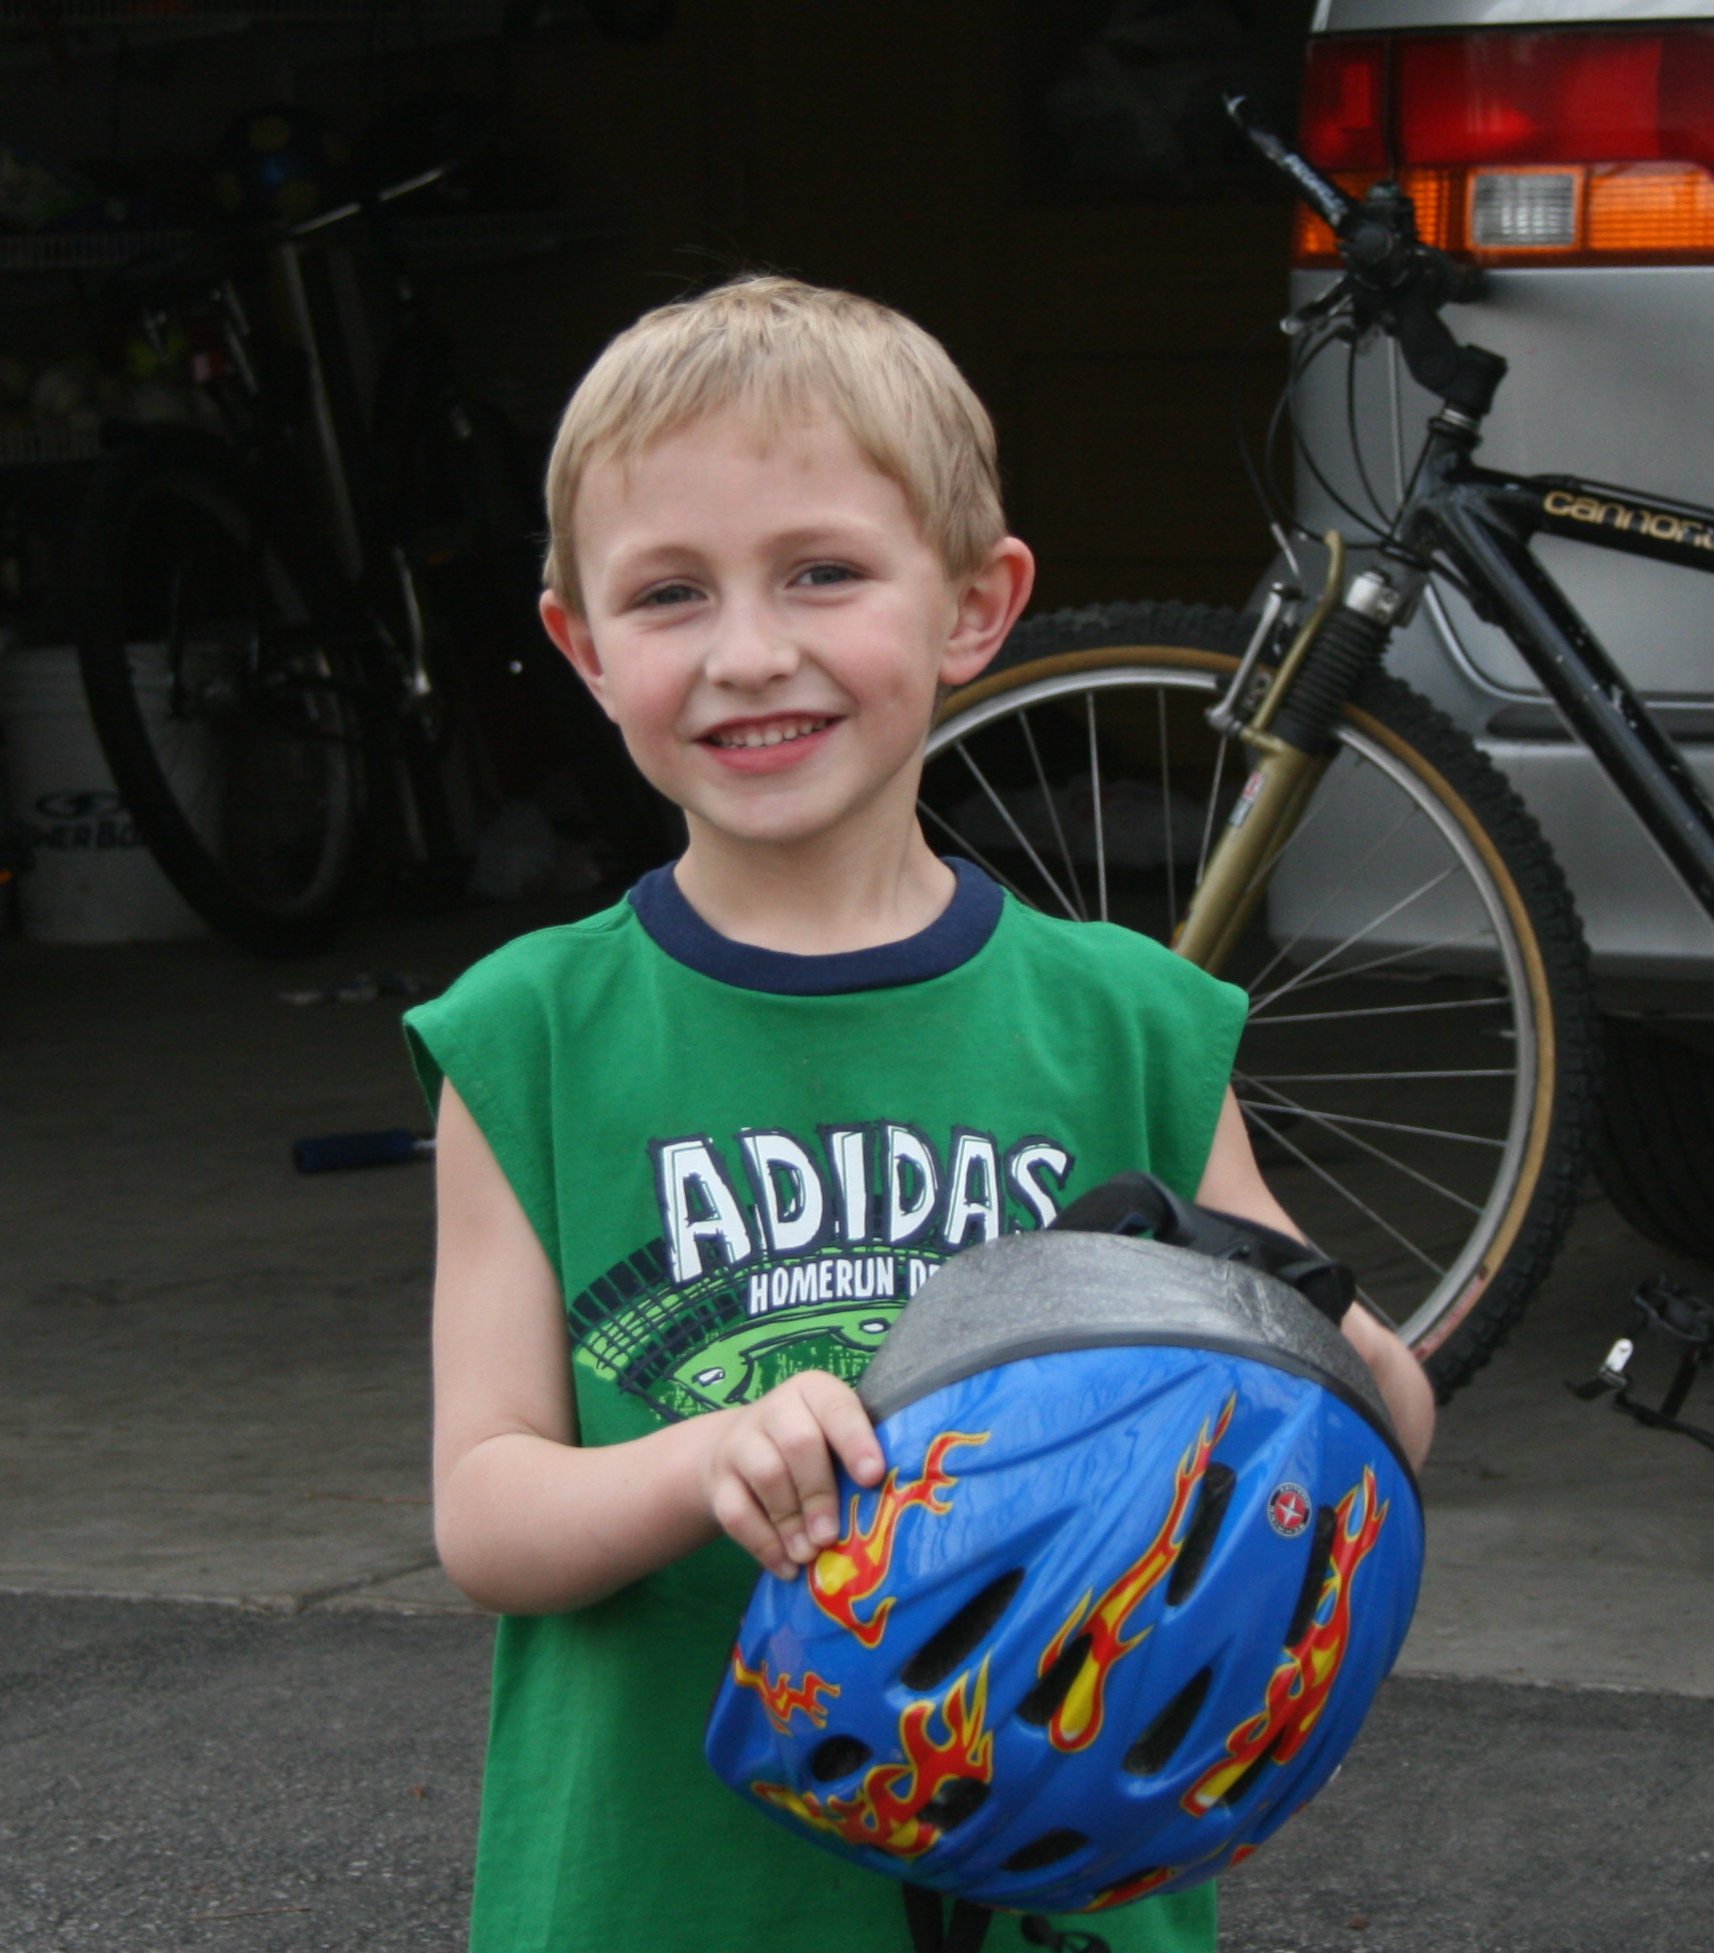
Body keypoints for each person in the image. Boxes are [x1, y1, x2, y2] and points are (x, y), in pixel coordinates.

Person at [410, 275, 1439, 1952]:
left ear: (976, 606)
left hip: (1059, 1892)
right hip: (667, 1902)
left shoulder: (1131, 1023)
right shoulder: (529, 1038)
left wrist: (1333, 1384)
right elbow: (486, 1511)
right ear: (583, 649)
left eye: (823, 572)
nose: (752, 652)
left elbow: (1354, 1407)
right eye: (670, 593)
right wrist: (704, 1460)